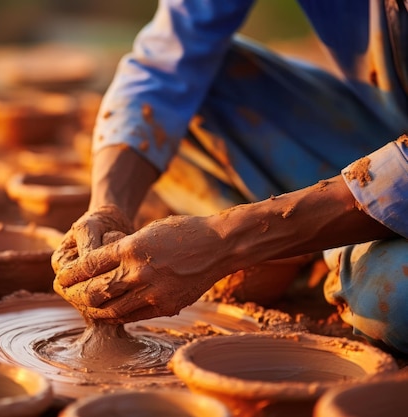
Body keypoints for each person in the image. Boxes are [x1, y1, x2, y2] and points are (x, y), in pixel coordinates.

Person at [52, 0, 408, 355]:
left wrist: (225, 240)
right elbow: (165, 63)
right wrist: (107, 206)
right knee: (189, 92)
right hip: (383, 132)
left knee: (389, 295)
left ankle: (319, 249)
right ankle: (314, 240)